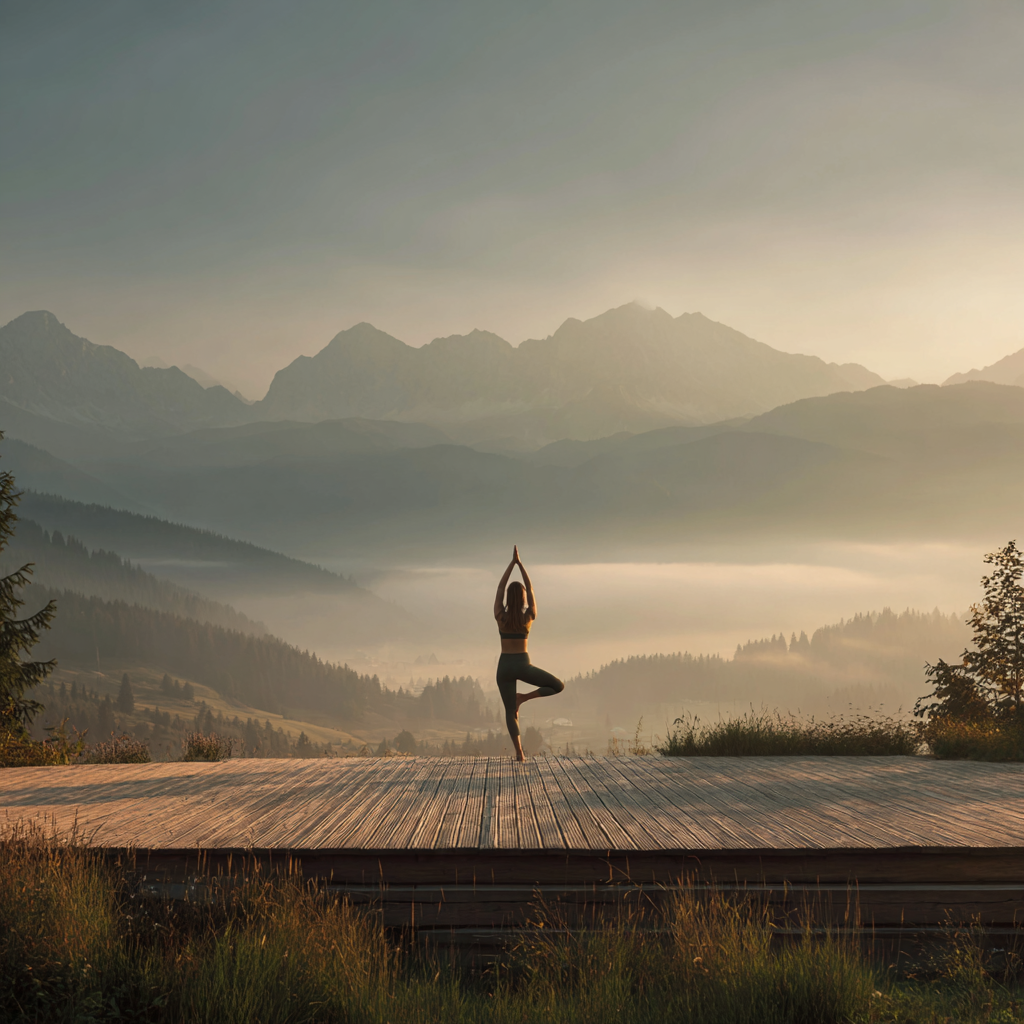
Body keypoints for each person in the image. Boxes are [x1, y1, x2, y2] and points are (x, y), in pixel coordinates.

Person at [494, 545, 564, 761]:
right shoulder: (529, 616)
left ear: (508, 597)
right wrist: (520, 564)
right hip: (523, 665)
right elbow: (530, 588)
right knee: (557, 686)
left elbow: (500, 587)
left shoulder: (500, 616)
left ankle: (520, 753)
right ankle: (523, 698)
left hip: (505, 666)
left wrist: (511, 564)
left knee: (509, 712)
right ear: (523, 598)